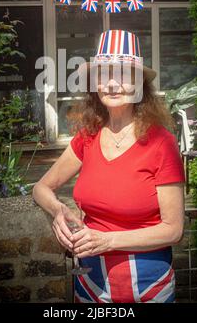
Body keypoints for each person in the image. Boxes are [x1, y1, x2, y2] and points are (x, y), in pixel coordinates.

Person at [32, 29, 186, 303]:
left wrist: (107, 240)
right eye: (104, 74)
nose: (113, 84)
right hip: (90, 285)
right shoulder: (87, 136)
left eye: (124, 75)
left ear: (139, 84)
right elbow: (42, 187)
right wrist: (59, 211)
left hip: (148, 289)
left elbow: (173, 230)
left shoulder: (162, 143)